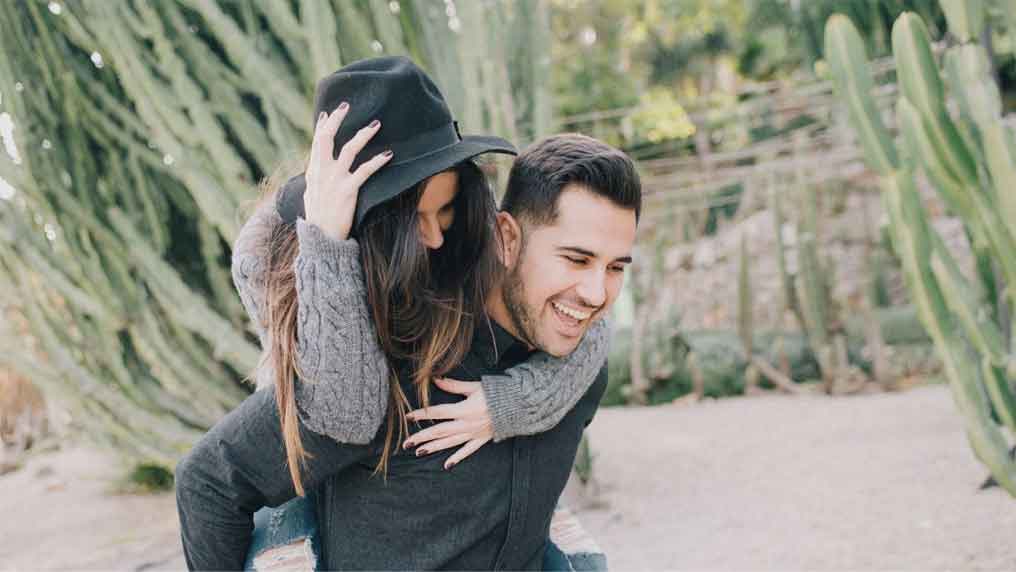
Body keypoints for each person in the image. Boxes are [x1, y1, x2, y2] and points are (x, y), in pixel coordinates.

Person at [175, 57, 641, 570]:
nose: (596, 293)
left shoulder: (576, 353)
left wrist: (513, 403)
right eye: (575, 259)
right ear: (508, 235)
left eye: (616, 267)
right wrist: (325, 244)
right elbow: (209, 482)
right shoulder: (378, 358)